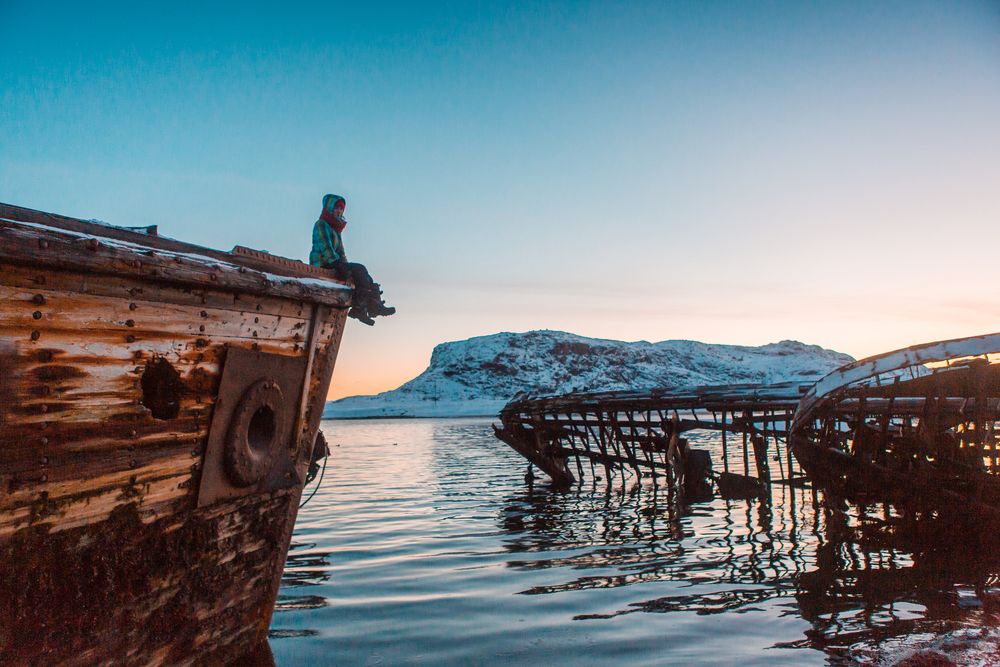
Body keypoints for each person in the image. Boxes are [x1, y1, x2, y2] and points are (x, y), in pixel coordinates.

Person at [309, 194, 395, 325]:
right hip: (323, 264)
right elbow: (324, 246)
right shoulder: (321, 224)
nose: (339, 211)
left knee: (362, 273)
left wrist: (345, 264)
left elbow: (341, 252)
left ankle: (373, 306)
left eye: (341, 209)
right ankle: (360, 308)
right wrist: (337, 263)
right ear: (329, 208)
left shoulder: (336, 230)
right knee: (360, 268)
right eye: (337, 208)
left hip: (334, 262)